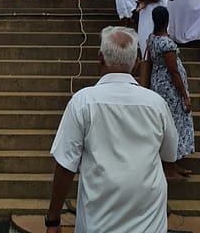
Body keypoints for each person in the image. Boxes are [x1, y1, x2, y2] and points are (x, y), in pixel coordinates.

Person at [45, 26, 178, 233]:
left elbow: (65, 166)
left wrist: (53, 219)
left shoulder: (83, 101)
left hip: (97, 223)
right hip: (148, 224)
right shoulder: (156, 104)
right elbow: (170, 155)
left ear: (100, 58)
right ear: (136, 63)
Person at [147, 5, 194, 180]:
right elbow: (173, 71)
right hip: (170, 89)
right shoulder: (166, 43)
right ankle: (169, 166)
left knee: (169, 124)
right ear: (167, 21)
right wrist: (184, 95)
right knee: (172, 125)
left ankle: (173, 163)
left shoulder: (152, 39)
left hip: (158, 84)